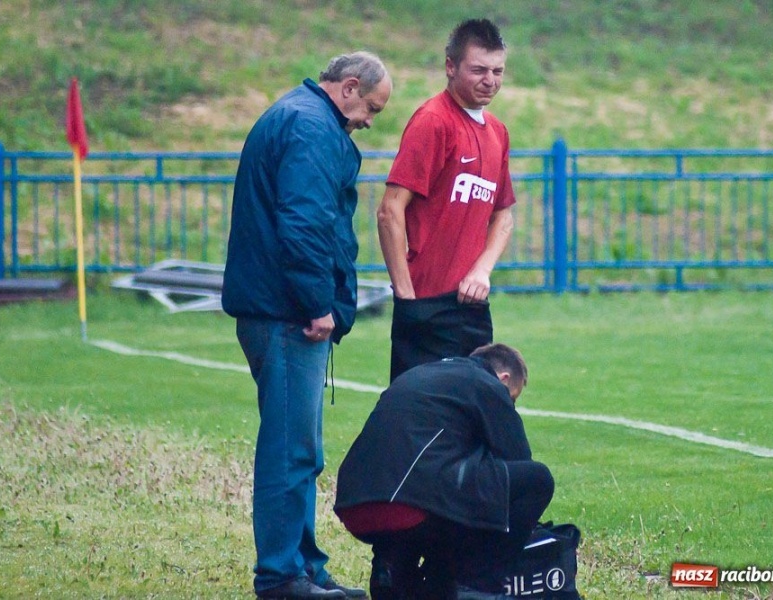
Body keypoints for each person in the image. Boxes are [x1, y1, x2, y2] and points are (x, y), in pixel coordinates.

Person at [222, 52, 393, 600]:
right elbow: (305, 222)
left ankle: (305, 566)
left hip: (275, 307)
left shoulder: (295, 115)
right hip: (288, 314)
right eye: (371, 107)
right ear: (347, 88)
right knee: (290, 450)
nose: (369, 120)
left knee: (301, 448)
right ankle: (280, 576)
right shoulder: (312, 126)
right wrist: (319, 302)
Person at [334, 344, 554, 600]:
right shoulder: (488, 384)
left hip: (355, 505)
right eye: (512, 398)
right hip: (412, 506)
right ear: (504, 379)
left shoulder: (419, 374)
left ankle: (392, 565)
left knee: (437, 484)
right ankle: (477, 585)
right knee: (537, 480)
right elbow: (516, 459)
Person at [376, 19, 516, 382]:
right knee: (419, 420)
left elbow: (504, 217)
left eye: (498, 71)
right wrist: (406, 297)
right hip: (425, 302)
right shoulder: (433, 122)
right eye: (479, 70)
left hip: (471, 308)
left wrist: (482, 270)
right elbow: (390, 210)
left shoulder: (498, 132)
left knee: (472, 415)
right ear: (450, 67)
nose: (490, 80)